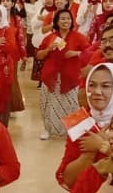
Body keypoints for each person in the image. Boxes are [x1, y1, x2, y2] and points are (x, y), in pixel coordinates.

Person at [36, 9, 87, 141]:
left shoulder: (78, 37)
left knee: (73, 104)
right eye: (63, 19)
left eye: (68, 19)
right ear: (57, 22)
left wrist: (75, 53)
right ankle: (48, 129)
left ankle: (73, 131)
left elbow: (89, 52)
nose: (66, 21)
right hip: (51, 76)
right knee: (48, 104)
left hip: (70, 77)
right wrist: (49, 49)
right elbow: (38, 55)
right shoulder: (50, 37)